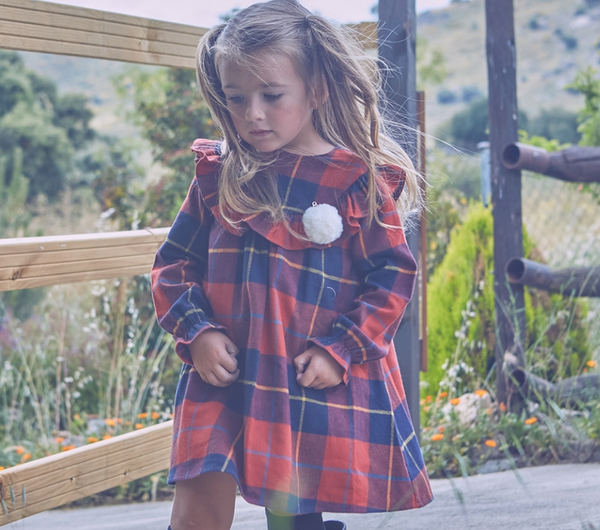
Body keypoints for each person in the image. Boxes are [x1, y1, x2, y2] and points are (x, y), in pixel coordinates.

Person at [151, 1, 433, 529]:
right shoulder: (221, 176)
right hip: (225, 374)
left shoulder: (358, 182)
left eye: (271, 96)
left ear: (316, 88)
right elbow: (173, 267)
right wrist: (197, 333)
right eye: (237, 99)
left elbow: (392, 279)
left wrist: (341, 349)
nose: (252, 113)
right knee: (197, 505)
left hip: (305, 378)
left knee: (292, 514)